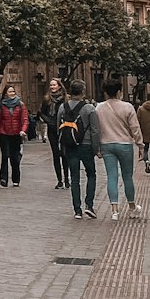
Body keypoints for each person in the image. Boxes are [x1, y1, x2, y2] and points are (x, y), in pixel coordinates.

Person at [97, 78, 143, 220]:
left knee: (112, 176)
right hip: (124, 144)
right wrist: (140, 145)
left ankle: (114, 210)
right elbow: (135, 128)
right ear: (118, 91)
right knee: (127, 176)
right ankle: (131, 207)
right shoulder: (128, 107)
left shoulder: (98, 108)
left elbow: (96, 129)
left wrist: (97, 147)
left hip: (106, 144)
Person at [57, 80, 101, 219]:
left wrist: (62, 144)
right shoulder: (89, 109)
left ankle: (77, 210)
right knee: (91, 174)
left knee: (74, 177)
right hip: (86, 145)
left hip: (70, 145)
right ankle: (89, 204)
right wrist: (96, 148)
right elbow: (95, 130)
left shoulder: (62, 107)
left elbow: (59, 126)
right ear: (83, 92)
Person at [0, 85, 28, 188]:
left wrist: (23, 130)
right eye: (10, 92)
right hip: (4, 133)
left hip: (16, 134)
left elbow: (25, 119)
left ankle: (16, 179)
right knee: (5, 156)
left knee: (15, 157)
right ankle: (3, 178)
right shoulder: (1, 106)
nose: (12, 93)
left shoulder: (20, 104)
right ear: (6, 94)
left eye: (13, 91)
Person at [45, 77, 69, 190]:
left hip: (63, 129)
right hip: (52, 129)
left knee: (64, 154)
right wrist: (49, 121)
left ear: (59, 86)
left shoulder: (65, 100)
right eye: (51, 85)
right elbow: (42, 113)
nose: (52, 87)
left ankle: (67, 179)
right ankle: (59, 180)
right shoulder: (47, 99)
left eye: (54, 85)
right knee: (55, 154)